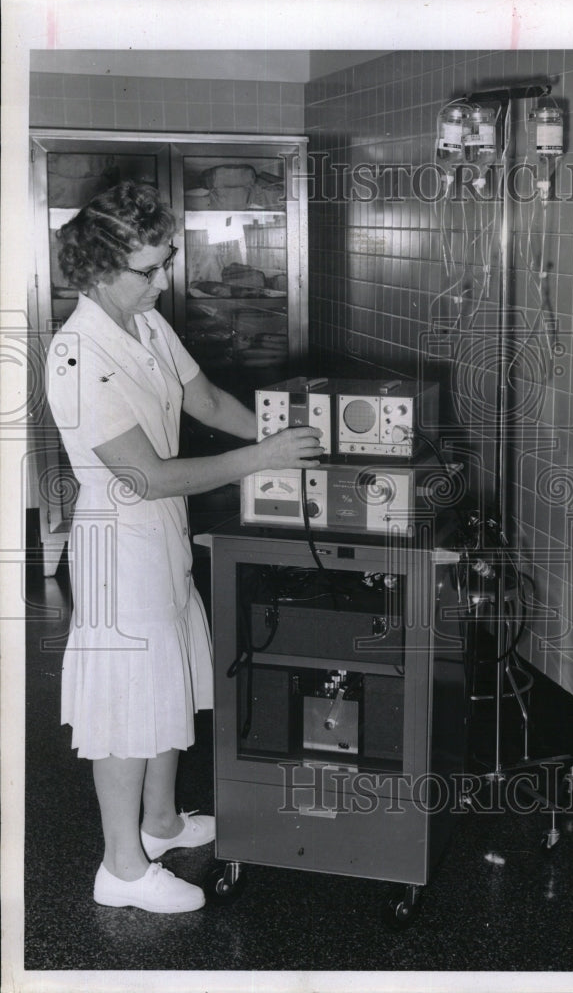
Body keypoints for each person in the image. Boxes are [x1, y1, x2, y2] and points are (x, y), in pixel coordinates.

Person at [45, 181, 323, 913]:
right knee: (123, 709)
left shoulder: (145, 325)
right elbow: (147, 473)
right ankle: (121, 869)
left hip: (160, 538)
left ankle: (161, 824)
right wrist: (259, 462)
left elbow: (203, 401)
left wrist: (273, 437)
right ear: (103, 267)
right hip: (117, 546)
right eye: (152, 267)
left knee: (166, 684)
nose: (166, 279)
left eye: (166, 262)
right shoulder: (77, 357)